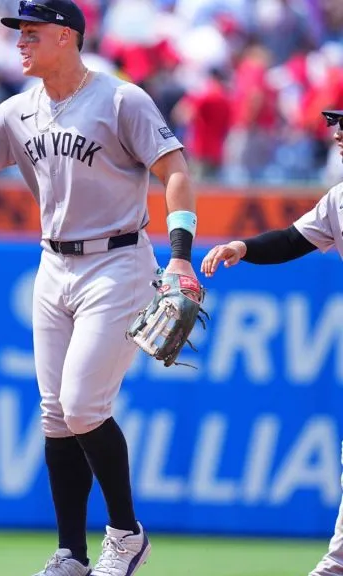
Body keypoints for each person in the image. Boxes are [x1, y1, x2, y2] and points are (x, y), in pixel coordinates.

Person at [0, 1, 201, 575]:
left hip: (119, 260)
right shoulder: (16, 111)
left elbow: (174, 169)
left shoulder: (121, 99)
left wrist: (180, 257)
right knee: (55, 415)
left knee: (82, 405)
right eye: (19, 33)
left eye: (31, 33)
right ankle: (71, 554)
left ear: (65, 36)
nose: (21, 43)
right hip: (53, 265)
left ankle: (126, 534)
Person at [201, 108, 343, 576]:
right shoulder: (340, 200)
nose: (337, 133)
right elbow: (292, 240)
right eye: (336, 124)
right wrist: (245, 248)